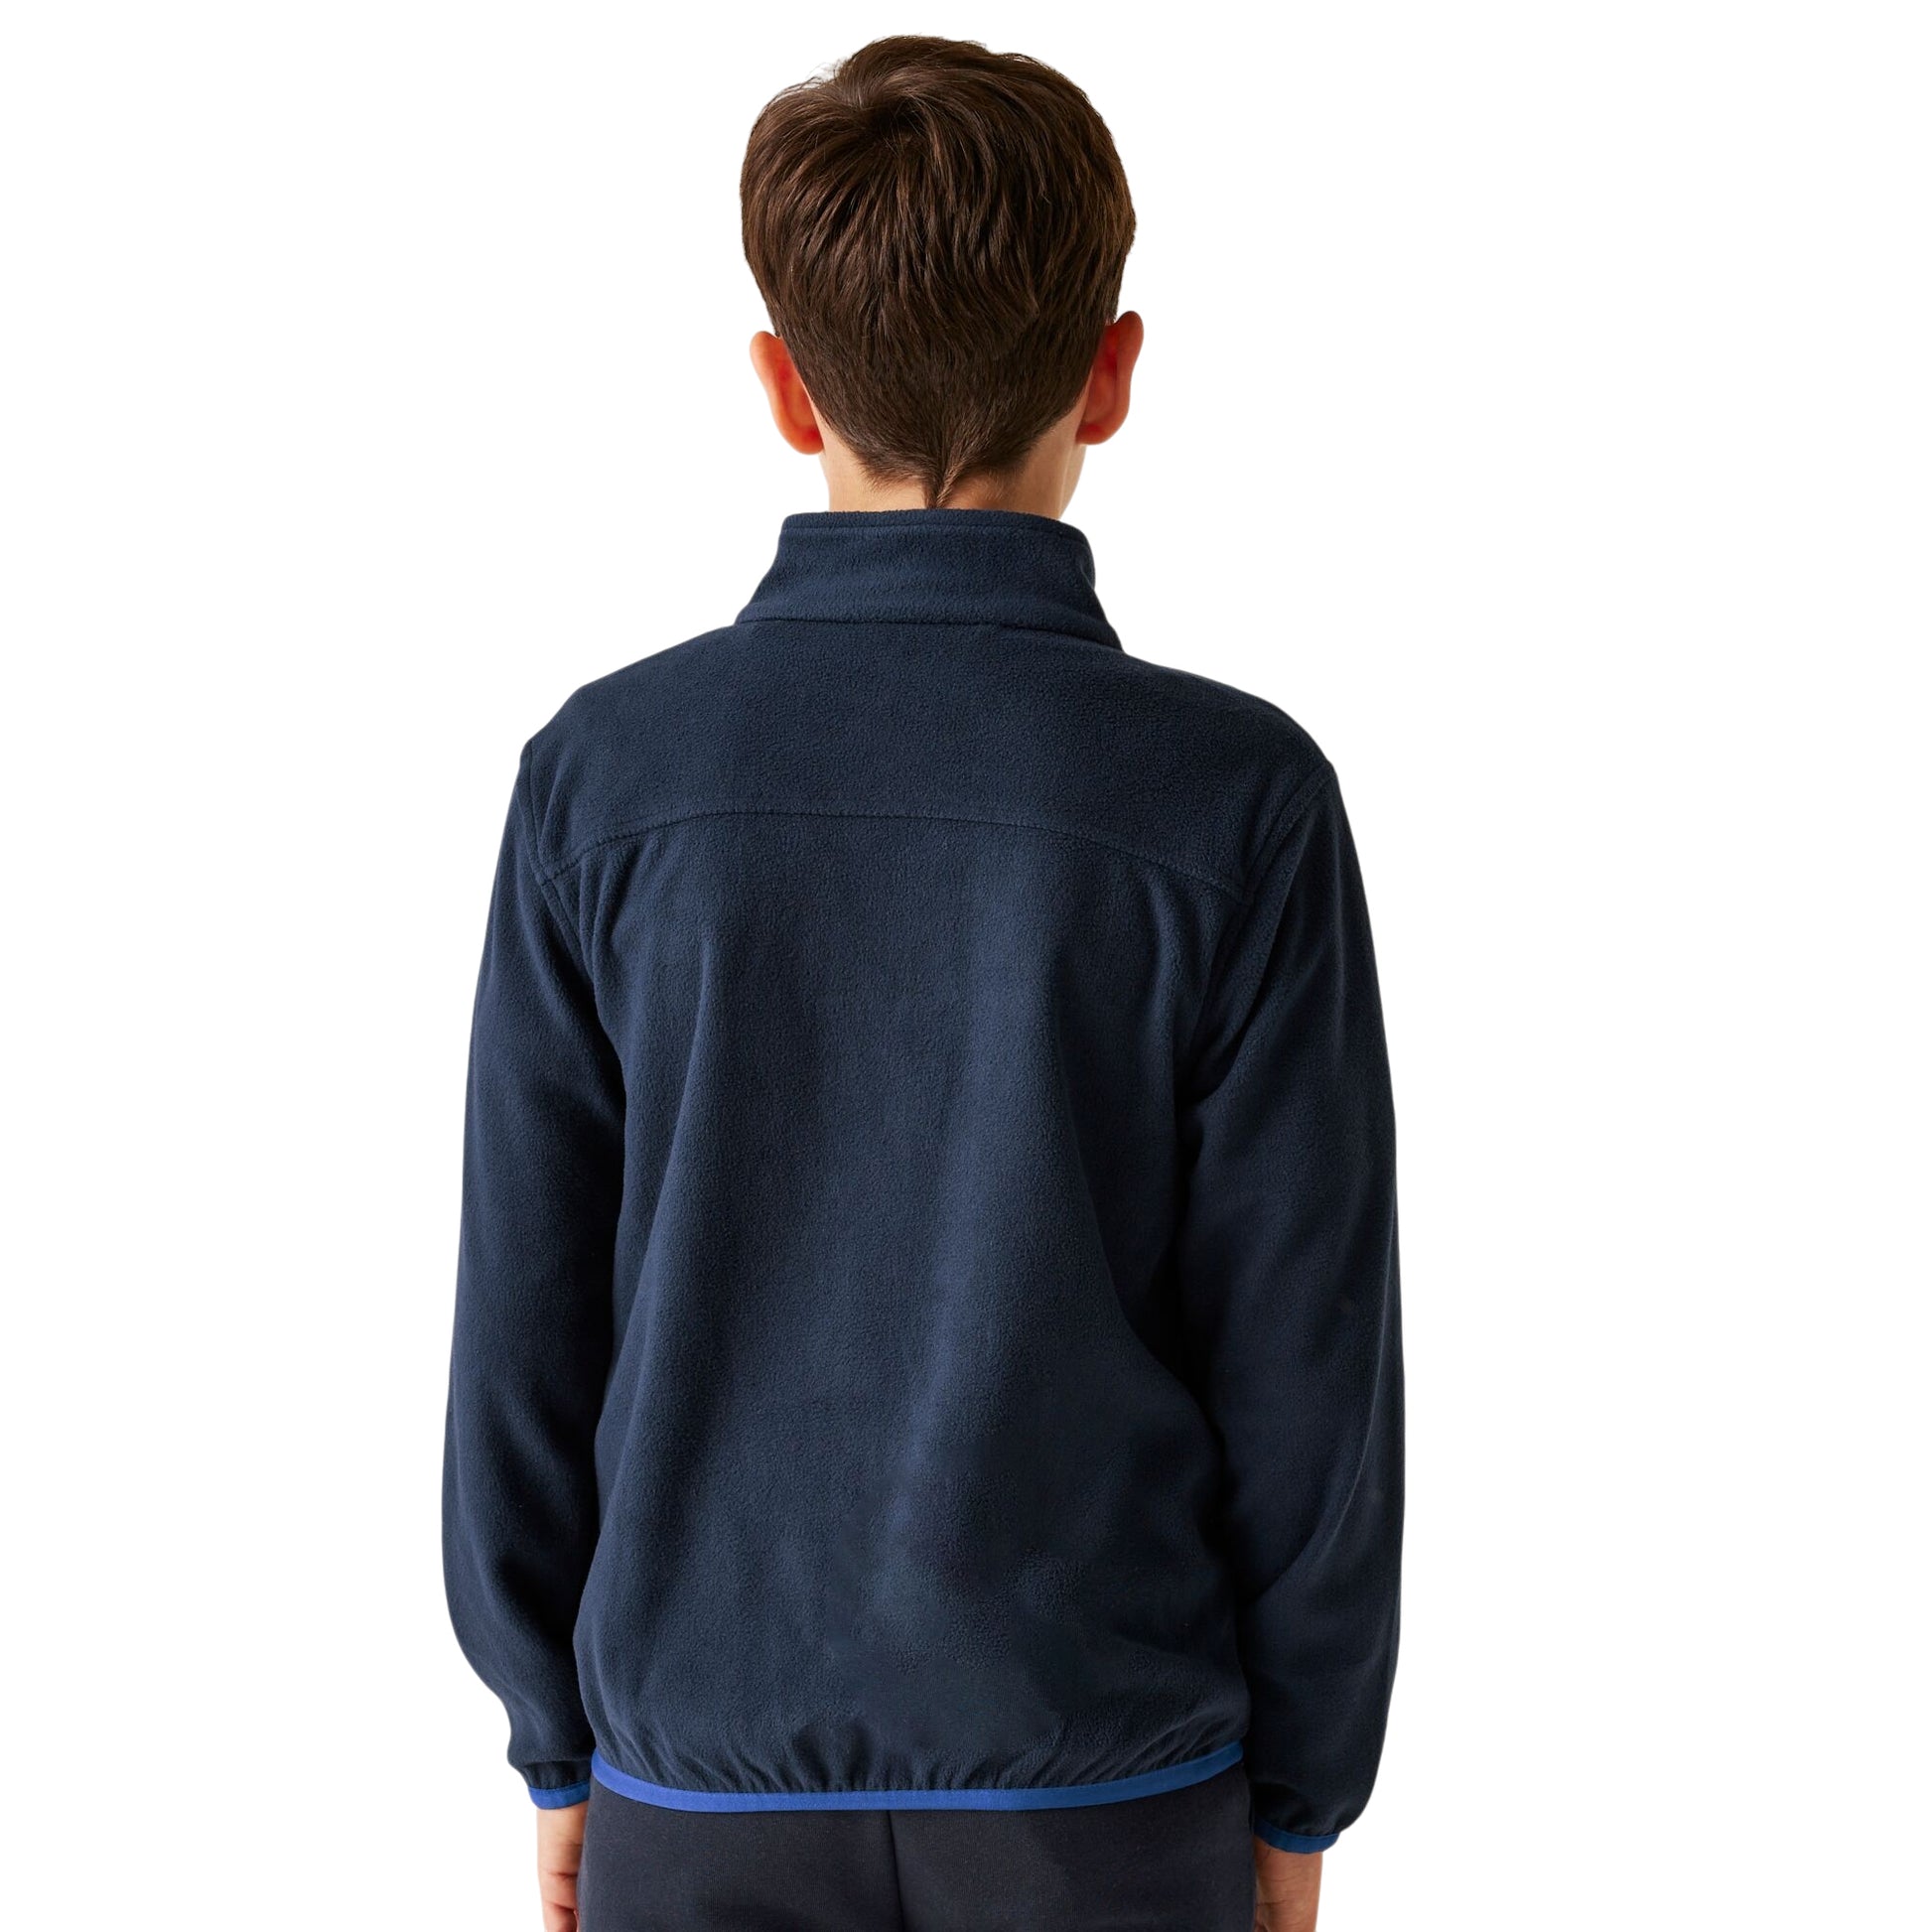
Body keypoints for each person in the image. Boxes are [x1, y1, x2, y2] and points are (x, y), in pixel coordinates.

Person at [443, 35, 1402, 1932]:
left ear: (780, 385)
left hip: (693, 1777)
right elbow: (1309, 1361)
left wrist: (557, 1739)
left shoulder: (600, 782)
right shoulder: (1237, 798)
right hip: (1108, 1784)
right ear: (1111, 373)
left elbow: (524, 1324)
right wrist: (1300, 1796)